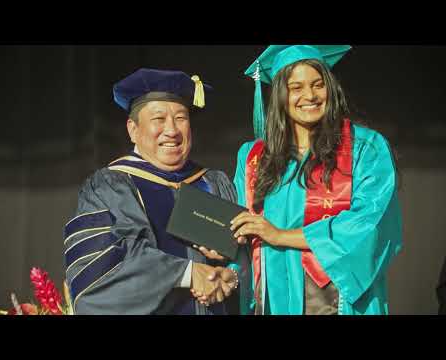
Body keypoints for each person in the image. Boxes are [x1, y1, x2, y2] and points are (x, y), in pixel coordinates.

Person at [195, 45, 403, 315]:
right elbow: (245, 232)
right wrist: (228, 268)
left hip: (339, 302)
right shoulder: (254, 157)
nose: (310, 96)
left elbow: (368, 225)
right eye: (296, 88)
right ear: (280, 96)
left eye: (318, 85)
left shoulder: (366, 148)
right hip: (271, 298)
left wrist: (280, 236)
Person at [63, 68, 239, 315]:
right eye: (159, 119)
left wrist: (232, 275)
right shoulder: (110, 187)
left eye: (181, 118)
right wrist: (187, 273)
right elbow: (105, 267)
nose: (172, 131)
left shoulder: (213, 183)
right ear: (133, 129)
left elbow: (246, 256)